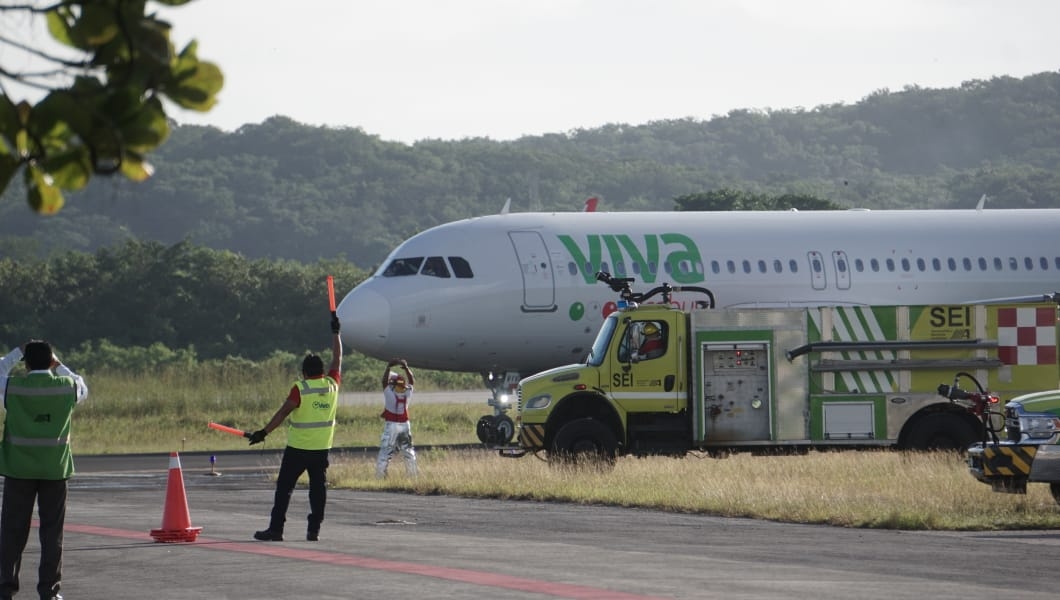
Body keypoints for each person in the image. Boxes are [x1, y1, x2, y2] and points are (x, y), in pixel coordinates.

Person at [0, 340, 88, 600]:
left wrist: (17, 351)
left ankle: (5, 588)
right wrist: (58, 365)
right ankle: (49, 590)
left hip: (18, 469)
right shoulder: (66, 387)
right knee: (52, 533)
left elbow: (0, 369)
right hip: (54, 470)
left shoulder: (12, 387)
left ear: (25, 363)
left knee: (12, 532)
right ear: (51, 361)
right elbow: (81, 382)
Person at [249, 311, 342, 542]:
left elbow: (283, 412)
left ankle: (276, 529)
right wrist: (336, 333)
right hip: (321, 449)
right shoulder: (332, 385)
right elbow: (338, 359)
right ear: (322, 371)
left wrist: (263, 432)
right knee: (318, 490)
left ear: (304, 372)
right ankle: (314, 530)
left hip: (298, 449)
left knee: (284, 489)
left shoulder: (300, 388)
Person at [376, 359, 418, 478]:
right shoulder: (407, 393)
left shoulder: (389, 393)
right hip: (405, 425)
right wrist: (406, 368)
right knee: (408, 452)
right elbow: (412, 381)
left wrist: (388, 367)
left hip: (392, 426)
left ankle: (380, 477)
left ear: (392, 384)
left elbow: (383, 382)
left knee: (385, 453)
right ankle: (413, 476)